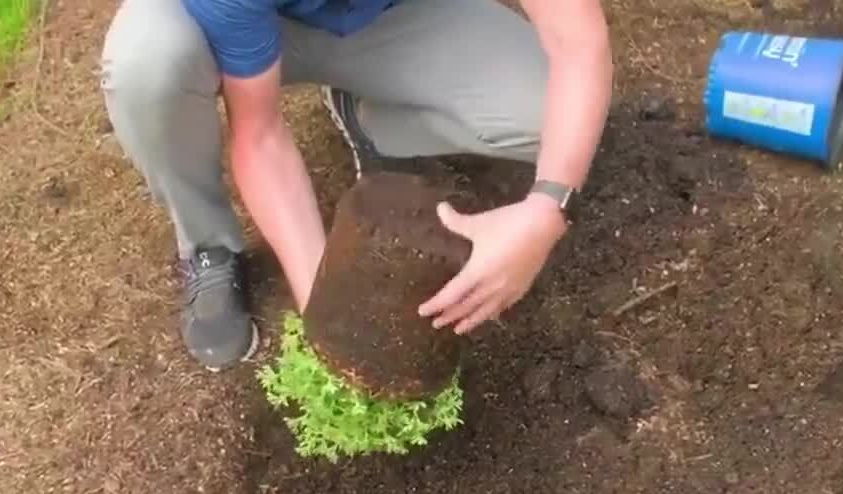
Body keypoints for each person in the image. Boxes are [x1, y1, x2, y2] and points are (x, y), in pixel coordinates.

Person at [101, 0, 613, 370]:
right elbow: (258, 133)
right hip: (241, 23)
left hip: (391, 14)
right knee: (147, 64)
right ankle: (209, 246)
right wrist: (324, 308)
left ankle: (370, 120)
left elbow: (579, 43)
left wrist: (547, 208)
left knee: (548, 111)